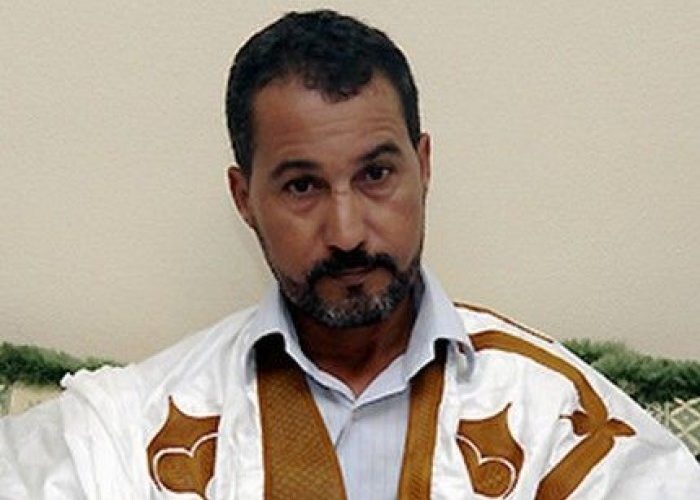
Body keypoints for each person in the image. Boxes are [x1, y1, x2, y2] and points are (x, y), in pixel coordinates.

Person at [1, 9, 698, 500]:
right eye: (302, 186)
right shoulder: (133, 427)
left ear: (424, 167)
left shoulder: (556, 417)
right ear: (244, 198)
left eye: (376, 174)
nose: (346, 232)